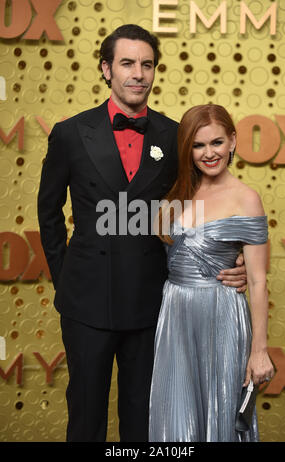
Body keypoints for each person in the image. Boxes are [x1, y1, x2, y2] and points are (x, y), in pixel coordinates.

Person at [38, 25, 247, 442]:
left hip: (153, 304)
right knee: (85, 415)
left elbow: (202, 203)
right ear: (106, 69)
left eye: (147, 64)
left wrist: (232, 260)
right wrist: (69, 281)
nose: (138, 74)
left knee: (146, 419)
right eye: (128, 63)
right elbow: (49, 215)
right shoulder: (70, 133)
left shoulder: (174, 136)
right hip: (86, 303)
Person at [149, 104, 274, 442]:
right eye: (198, 145)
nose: (209, 153)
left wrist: (259, 350)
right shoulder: (175, 194)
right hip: (174, 314)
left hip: (222, 316)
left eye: (217, 142)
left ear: (232, 141)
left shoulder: (247, 198)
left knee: (221, 414)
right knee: (176, 416)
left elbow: (260, 279)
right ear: (187, 149)